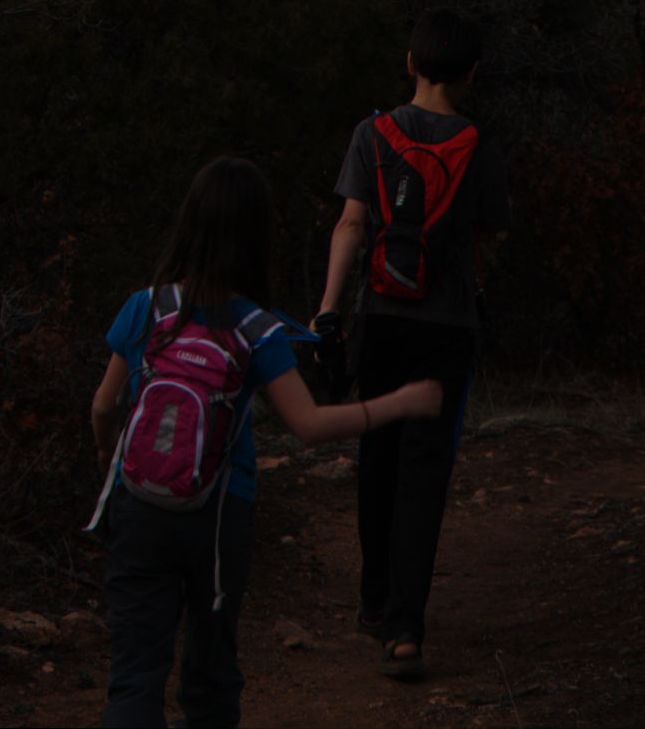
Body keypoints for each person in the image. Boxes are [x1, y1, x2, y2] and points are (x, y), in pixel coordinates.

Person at [90, 155, 442, 729]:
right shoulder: (255, 327)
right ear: (256, 238)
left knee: (135, 674)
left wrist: (109, 456)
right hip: (220, 514)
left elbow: (104, 406)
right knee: (209, 678)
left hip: (139, 506)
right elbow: (307, 425)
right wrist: (398, 404)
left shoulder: (147, 306)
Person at [315, 9, 510, 681]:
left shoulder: (372, 133)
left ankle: (373, 597)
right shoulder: (479, 143)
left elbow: (349, 223)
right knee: (425, 471)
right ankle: (403, 628)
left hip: (378, 316)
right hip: (446, 326)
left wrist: (326, 311)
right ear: (472, 71)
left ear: (409, 62)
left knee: (378, 454)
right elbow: (488, 231)